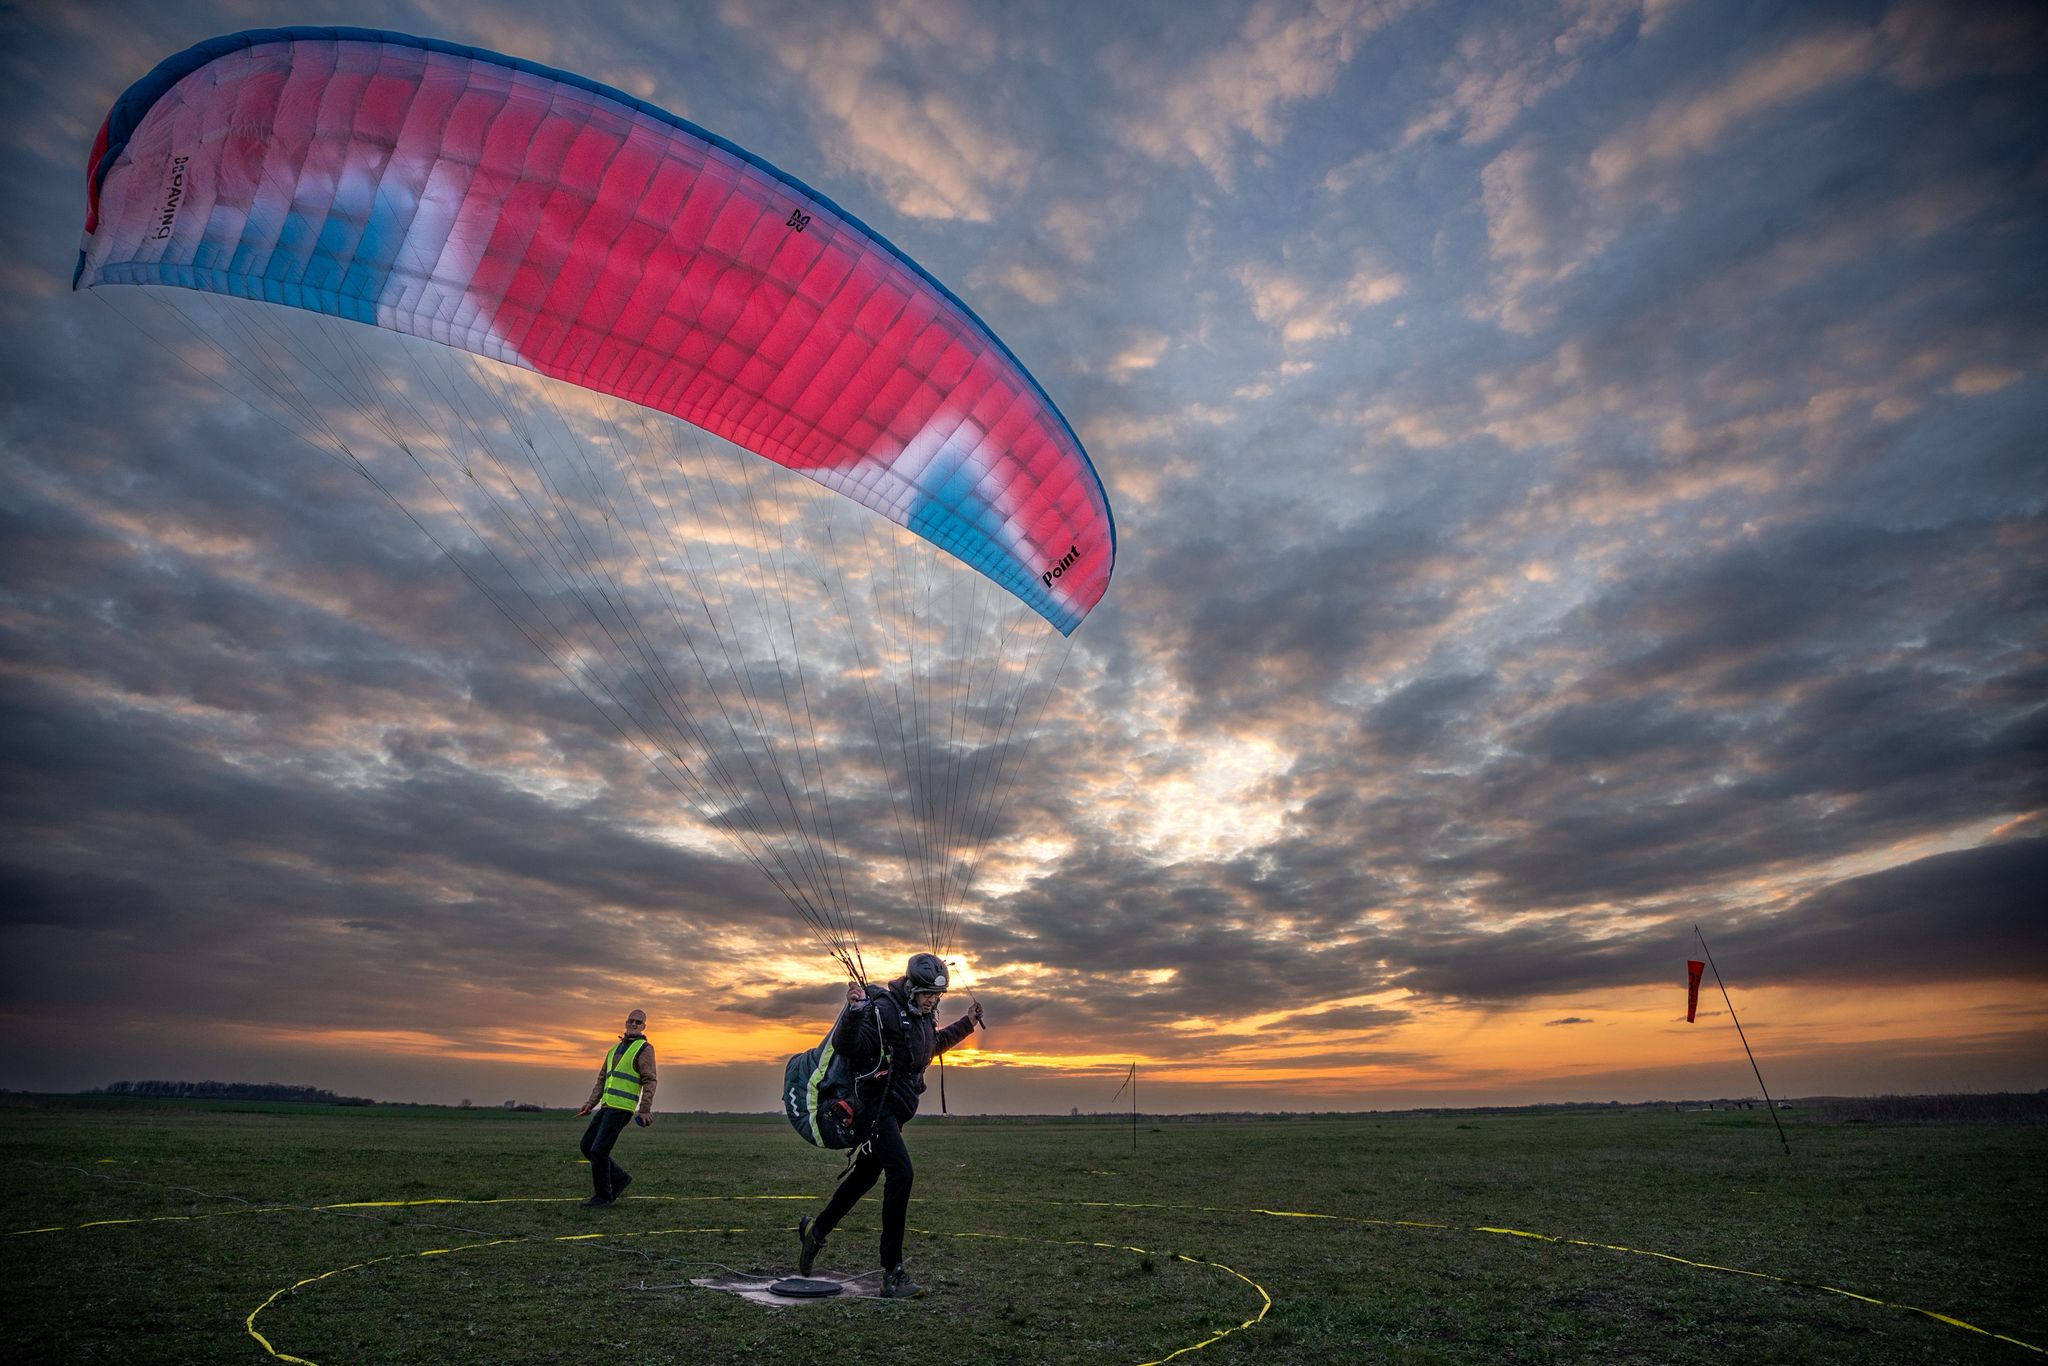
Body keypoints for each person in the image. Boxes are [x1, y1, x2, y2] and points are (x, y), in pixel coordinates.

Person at [795, 953, 982, 1298]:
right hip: (873, 1109)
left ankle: (816, 1231)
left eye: (936, 996)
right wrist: (853, 1011)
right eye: (927, 994)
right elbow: (849, 1045)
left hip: (895, 1111)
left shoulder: (922, 1016)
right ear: (911, 987)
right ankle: (892, 1273)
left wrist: (967, 1023)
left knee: (865, 1176)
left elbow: (929, 1047)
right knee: (902, 1174)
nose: (931, 1001)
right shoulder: (882, 1010)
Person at [575, 1007, 656, 1207]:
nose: (634, 1024)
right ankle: (619, 1178)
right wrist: (590, 1103)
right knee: (587, 1146)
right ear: (625, 1023)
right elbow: (602, 1079)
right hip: (606, 1107)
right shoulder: (613, 1050)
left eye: (638, 1022)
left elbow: (650, 1080)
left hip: (622, 1109)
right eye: (631, 1021)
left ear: (644, 1026)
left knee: (598, 1150)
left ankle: (603, 1196)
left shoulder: (644, 1049)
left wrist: (644, 1109)